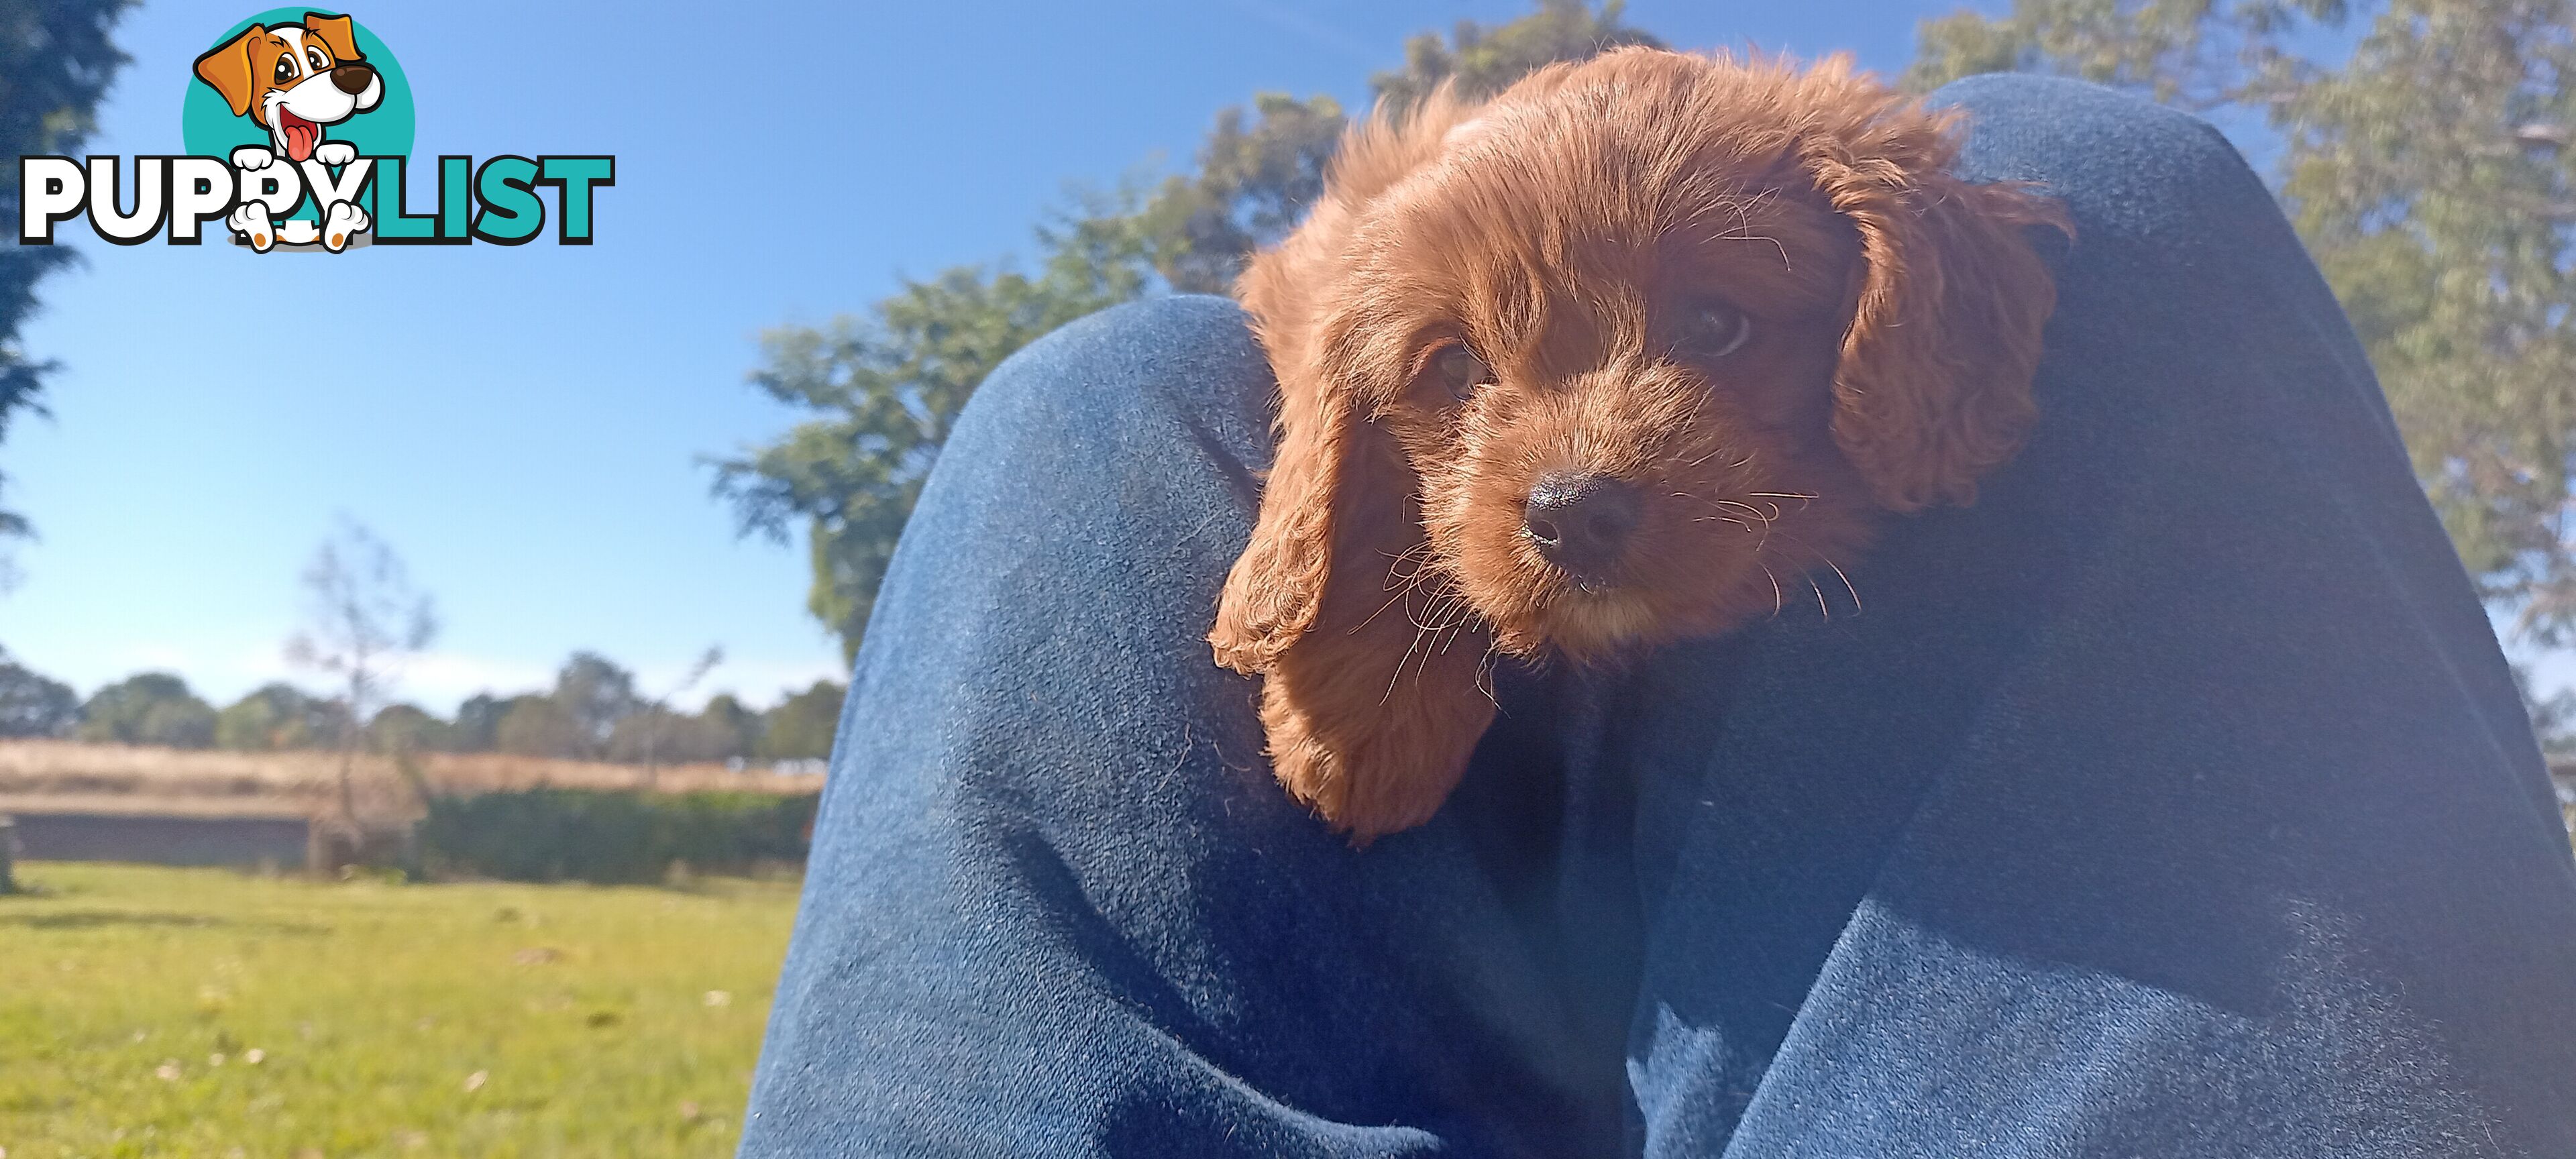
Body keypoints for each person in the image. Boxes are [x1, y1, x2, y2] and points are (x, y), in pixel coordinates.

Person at [735, 74, 2576, 1157]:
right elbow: (1318, 342)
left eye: (1713, 324)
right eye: (1461, 365)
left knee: (2088, 164)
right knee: (1106, 388)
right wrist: (1348, 593)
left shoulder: (1876, 215)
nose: (1582, 464)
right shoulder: (1335, 328)